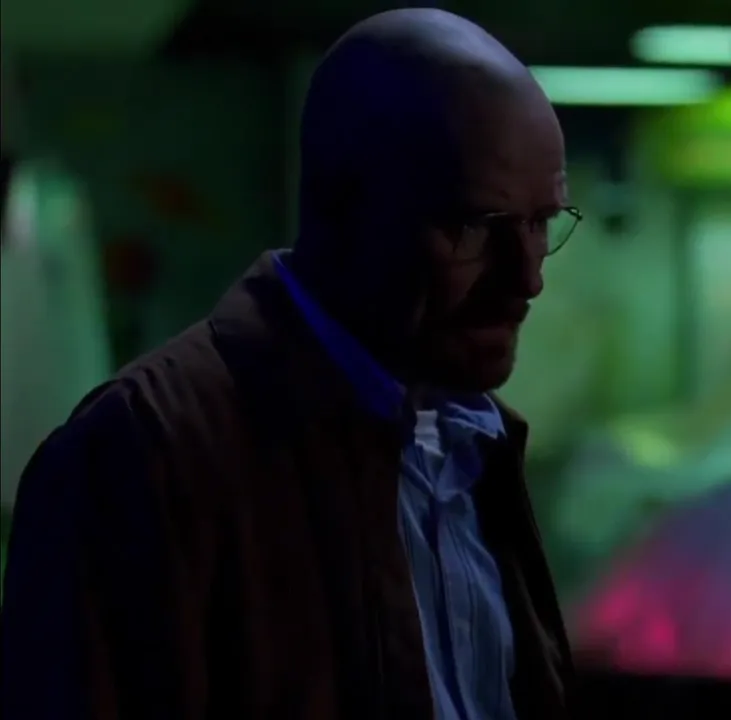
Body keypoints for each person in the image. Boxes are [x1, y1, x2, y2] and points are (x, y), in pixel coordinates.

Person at [0, 9, 576, 720]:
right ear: (342, 207)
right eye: (474, 228)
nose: (529, 278)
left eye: (543, 223)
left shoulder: (473, 447)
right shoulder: (141, 455)